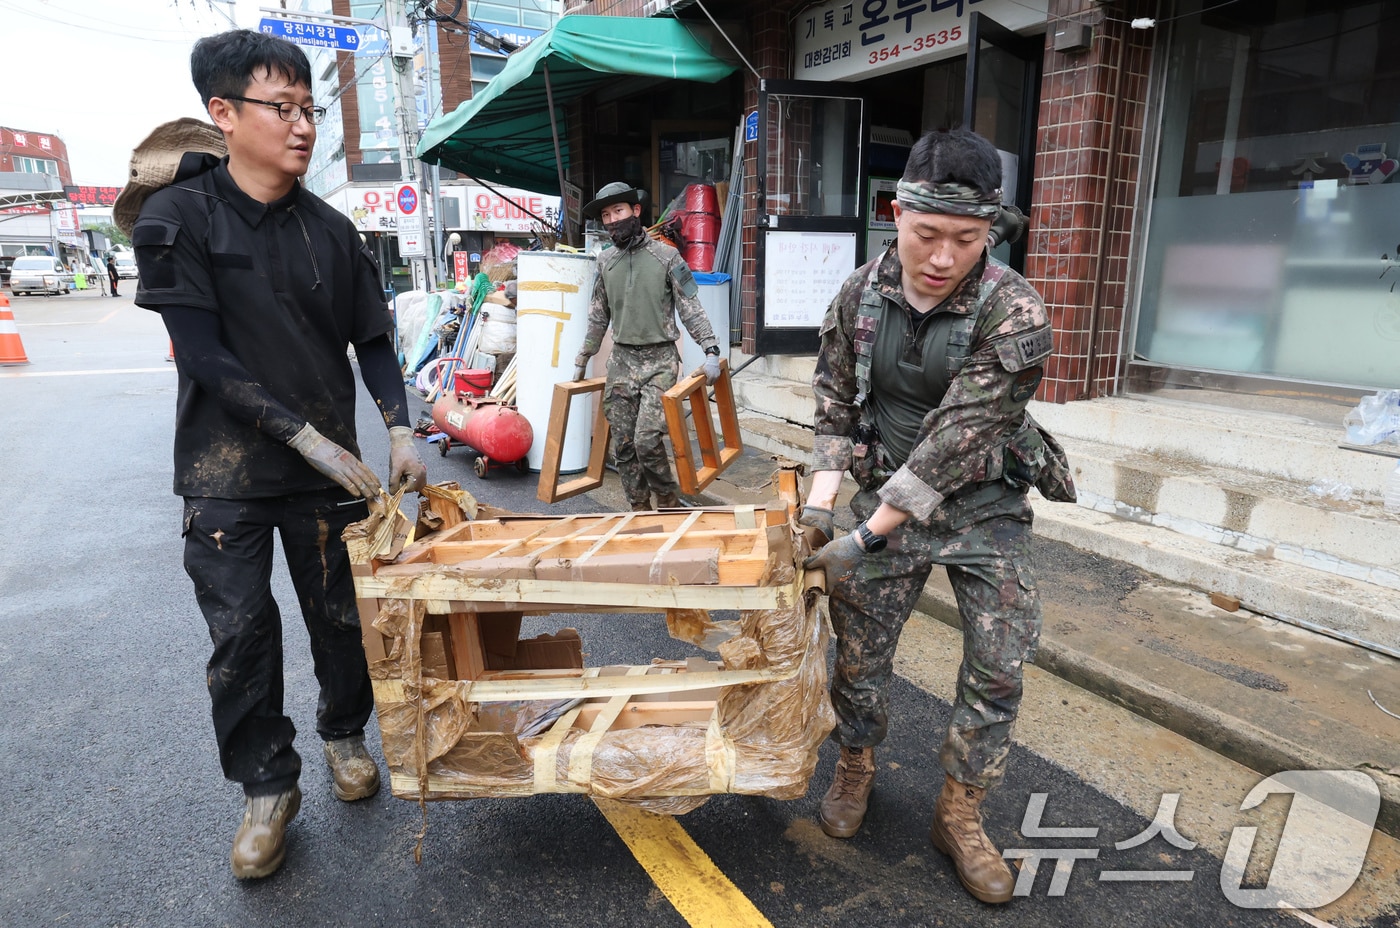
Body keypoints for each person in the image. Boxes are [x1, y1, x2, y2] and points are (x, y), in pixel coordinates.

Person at [118, 29, 427, 880]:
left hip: (331, 477)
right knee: (242, 633)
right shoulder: (179, 218)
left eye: (309, 109)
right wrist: (303, 437)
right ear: (223, 114)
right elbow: (204, 354)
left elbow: (374, 344)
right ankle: (266, 787)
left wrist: (399, 428)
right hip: (226, 476)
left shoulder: (331, 228)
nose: (301, 126)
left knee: (340, 619)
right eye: (280, 107)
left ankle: (342, 734)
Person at [801, 129, 1075, 905]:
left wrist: (858, 538)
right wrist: (820, 509)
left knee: (999, 665)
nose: (944, 257)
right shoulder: (857, 295)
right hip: (880, 487)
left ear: (990, 231)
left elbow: (958, 440)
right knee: (857, 656)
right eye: (927, 235)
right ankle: (856, 763)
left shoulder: (1015, 310)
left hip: (983, 503)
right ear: (896, 214)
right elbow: (834, 406)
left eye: (967, 239)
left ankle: (959, 811)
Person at [572, 182, 722, 511]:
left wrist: (711, 349)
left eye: (619, 211)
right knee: (624, 445)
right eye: (607, 215)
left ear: (636, 211)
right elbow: (598, 315)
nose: (613, 220)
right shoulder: (605, 261)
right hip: (622, 361)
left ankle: (667, 502)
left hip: (660, 362)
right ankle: (638, 511)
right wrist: (584, 355)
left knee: (647, 439)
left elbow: (691, 307)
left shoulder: (667, 256)